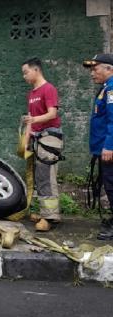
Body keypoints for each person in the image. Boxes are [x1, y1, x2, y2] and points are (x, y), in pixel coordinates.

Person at [21, 57, 63, 232]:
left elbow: (52, 114)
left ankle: (51, 217)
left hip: (49, 138)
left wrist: (34, 119)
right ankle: (45, 212)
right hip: (37, 138)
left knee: (47, 176)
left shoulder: (49, 89)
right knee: (39, 177)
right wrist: (26, 139)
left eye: (26, 72)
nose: (24, 76)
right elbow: (32, 121)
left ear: (36, 70)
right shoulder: (31, 94)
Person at [83, 53, 113, 241]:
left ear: (109, 69)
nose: (92, 73)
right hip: (103, 149)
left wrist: (109, 146)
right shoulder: (105, 88)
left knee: (112, 186)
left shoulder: (111, 90)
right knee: (109, 186)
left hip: (109, 150)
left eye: (96, 69)